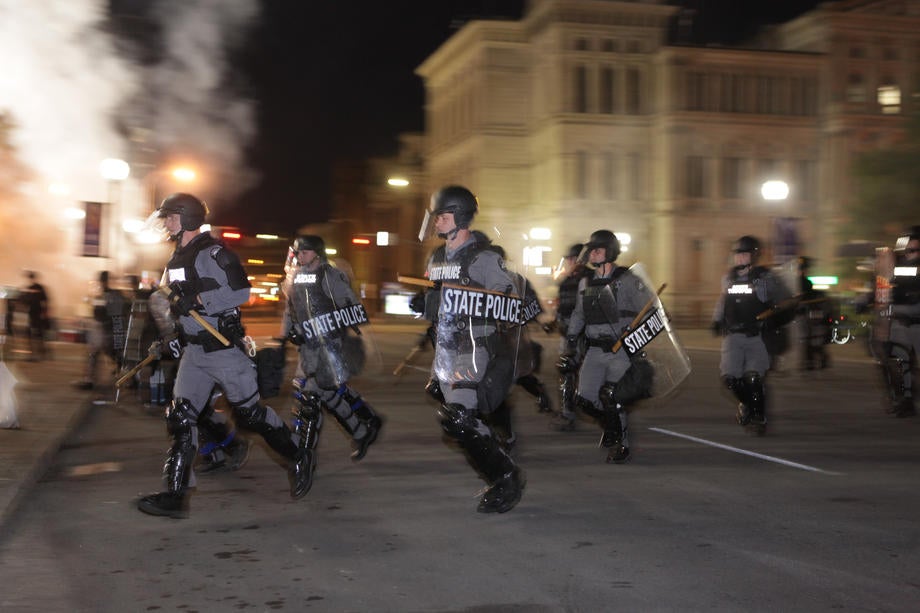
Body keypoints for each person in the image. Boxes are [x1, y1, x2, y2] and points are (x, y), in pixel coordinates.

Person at [136, 193, 311, 518]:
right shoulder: (175, 260)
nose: (167, 223)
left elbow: (241, 291)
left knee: (250, 415)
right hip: (195, 353)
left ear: (187, 218)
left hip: (224, 351)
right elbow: (163, 300)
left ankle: (299, 455)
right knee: (180, 415)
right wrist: (170, 335)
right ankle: (174, 496)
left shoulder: (213, 252)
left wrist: (199, 300)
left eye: (171, 216)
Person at [419, 185, 525, 513]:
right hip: (446, 348)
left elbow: (507, 296)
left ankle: (506, 477)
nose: (437, 222)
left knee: (458, 418)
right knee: (459, 421)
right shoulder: (437, 257)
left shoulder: (483, 257)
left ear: (461, 218)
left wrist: (479, 299)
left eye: (444, 216)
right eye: (436, 217)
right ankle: (500, 470)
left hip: (473, 347)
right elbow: (434, 299)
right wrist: (423, 301)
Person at [281, 234, 383, 496]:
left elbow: (351, 308)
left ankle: (303, 460)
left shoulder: (330, 276)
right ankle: (361, 431)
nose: (298, 257)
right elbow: (290, 310)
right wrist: (288, 334)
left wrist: (328, 328)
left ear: (316, 253)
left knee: (310, 400)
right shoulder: (295, 277)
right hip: (308, 349)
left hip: (329, 348)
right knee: (326, 394)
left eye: (303, 252)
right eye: (297, 252)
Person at [564, 230, 653, 464]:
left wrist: (634, 334)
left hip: (620, 350)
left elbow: (650, 310)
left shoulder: (628, 279)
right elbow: (579, 313)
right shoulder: (586, 282)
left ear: (610, 252)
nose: (592, 253)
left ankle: (621, 444)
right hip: (594, 350)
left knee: (612, 397)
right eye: (591, 249)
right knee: (584, 399)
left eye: (598, 249)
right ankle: (610, 425)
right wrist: (571, 339)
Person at [711, 235, 793, 435]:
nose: (739, 259)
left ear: (753, 256)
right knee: (730, 379)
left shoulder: (764, 279)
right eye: (737, 255)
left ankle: (758, 415)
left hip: (758, 336)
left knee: (754, 377)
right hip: (733, 335)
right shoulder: (729, 278)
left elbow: (785, 301)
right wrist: (716, 320)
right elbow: (723, 301)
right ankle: (746, 403)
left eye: (744, 255)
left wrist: (776, 315)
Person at [550, 243, 589, 431]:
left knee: (583, 372)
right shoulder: (566, 281)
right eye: (568, 259)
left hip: (585, 335)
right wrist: (554, 321)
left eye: (572, 259)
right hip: (568, 334)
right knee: (567, 370)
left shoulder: (588, 278)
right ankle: (568, 412)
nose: (568, 262)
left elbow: (584, 308)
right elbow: (562, 307)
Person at [884, 226, 920, 418]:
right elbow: (890, 285)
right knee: (902, 362)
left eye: (913, 248)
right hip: (901, 322)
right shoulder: (900, 265)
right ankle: (906, 401)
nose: (909, 251)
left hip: (915, 321)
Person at [75, 271, 129, 390]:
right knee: (96, 353)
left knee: (110, 354)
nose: (101, 284)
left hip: (111, 331)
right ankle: (89, 379)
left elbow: (114, 315)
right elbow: (97, 314)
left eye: (102, 281)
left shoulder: (112, 296)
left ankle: (90, 379)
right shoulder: (106, 295)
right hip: (106, 331)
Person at [20, 271, 49, 361]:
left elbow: (45, 300)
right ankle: (36, 354)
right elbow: (24, 300)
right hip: (33, 313)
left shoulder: (38, 288)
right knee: (33, 334)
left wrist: (45, 312)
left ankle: (39, 353)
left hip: (37, 313)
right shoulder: (32, 288)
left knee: (37, 334)